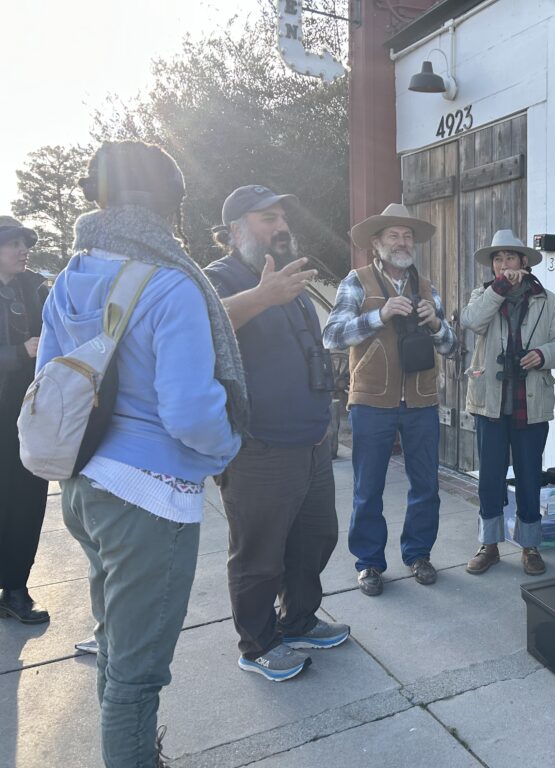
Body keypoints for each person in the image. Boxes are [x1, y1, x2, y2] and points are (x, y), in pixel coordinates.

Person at [38, 140, 243, 767]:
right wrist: (227, 446)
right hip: (148, 497)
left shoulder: (69, 277)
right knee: (138, 675)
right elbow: (188, 411)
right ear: (170, 204)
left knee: (116, 651)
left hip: (83, 484)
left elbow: (48, 381)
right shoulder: (172, 283)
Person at [205, 185, 349, 682]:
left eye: (283, 216)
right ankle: (258, 643)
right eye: (267, 218)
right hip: (257, 448)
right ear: (234, 231)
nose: (281, 226)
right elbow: (200, 328)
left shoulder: (292, 281)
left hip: (310, 443)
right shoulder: (217, 279)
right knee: (258, 553)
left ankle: (299, 620)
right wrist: (261, 297)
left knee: (314, 539)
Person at [323, 203, 456, 597]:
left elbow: (450, 347)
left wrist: (436, 324)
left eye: (408, 235)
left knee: (426, 485)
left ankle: (418, 554)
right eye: (393, 235)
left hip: (421, 400)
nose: (402, 242)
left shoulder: (427, 286)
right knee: (368, 486)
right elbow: (331, 337)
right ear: (376, 244)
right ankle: (368, 564)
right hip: (370, 402)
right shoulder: (356, 281)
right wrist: (378, 315)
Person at [460, 230, 555, 575]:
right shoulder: (483, 295)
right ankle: (489, 544)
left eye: (510, 257)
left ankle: (530, 546)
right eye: (497, 259)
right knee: (490, 478)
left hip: (531, 401)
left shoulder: (547, 300)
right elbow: (472, 322)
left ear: (524, 262)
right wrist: (498, 290)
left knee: (528, 475)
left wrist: (542, 354)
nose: (503, 265)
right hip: (489, 401)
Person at [0, 216, 50, 624]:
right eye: (12, 243)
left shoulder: (35, 286)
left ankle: (15, 587)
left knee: (28, 500)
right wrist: (20, 352)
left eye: (24, 242)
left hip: (30, 415)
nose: (22, 249)